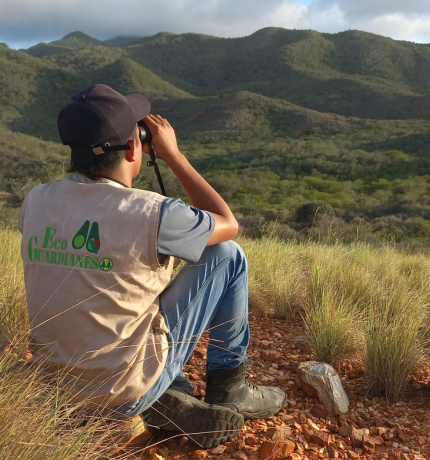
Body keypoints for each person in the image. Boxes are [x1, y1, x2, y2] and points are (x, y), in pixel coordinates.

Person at [19, 84, 286, 448]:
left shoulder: (36, 201)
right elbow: (227, 222)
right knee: (228, 254)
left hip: (56, 386)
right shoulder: (152, 212)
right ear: (135, 146)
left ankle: (168, 395)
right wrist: (174, 156)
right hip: (122, 388)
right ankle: (229, 387)